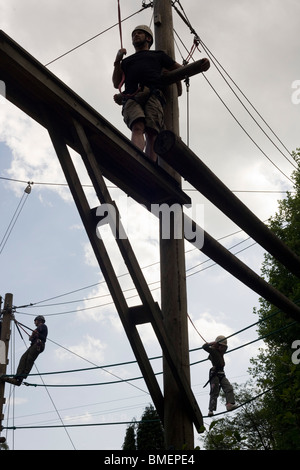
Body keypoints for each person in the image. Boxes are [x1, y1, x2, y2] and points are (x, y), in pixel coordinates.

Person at [112, 25, 188, 162]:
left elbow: (181, 70)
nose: (135, 36)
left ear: (148, 38)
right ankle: (136, 159)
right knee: (137, 126)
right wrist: (117, 60)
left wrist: (192, 68)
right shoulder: (126, 61)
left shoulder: (158, 56)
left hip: (153, 94)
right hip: (132, 96)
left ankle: (149, 165)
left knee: (152, 132)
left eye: (139, 33)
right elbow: (116, 82)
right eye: (133, 34)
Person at [2, 315, 48, 386]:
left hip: (38, 344)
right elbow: (34, 335)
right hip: (34, 345)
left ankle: (22, 375)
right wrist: (32, 338)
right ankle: (18, 375)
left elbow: (35, 332)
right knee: (23, 358)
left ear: (39, 320)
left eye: (35, 321)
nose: (34, 323)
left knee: (29, 359)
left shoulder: (43, 326)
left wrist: (32, 336)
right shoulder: (40, 329)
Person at [203, 335, 238, 417]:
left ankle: (229, 404)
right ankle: (210, 410)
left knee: (229, 388)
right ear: (218, 345)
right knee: (214, 392)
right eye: (221, 346)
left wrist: (219, 344)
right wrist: (212, 343)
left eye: (224, 347)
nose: (223, 348)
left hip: (221, 373)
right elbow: (204, 347)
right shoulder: (213, 351)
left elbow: (225, 348)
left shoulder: (221, 352)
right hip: (215, 373)